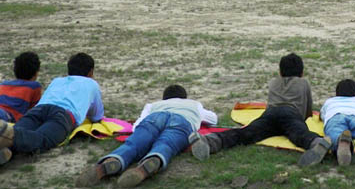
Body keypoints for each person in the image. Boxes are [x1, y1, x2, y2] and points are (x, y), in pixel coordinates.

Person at [190, 53, 331, 167]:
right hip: (291, 114)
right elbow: (307, 110)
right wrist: (302, 120)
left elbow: (270, 105)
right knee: (300, 135)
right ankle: (316, 143)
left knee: (245, 134)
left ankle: (211, 141)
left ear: (280, 72)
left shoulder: (273, 82)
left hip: (270, 114)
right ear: (302, 73)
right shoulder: (304, 83)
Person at [76, 84, 217, 188]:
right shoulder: (194, 104)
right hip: (182, 121)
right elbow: (213, 119)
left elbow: (139, 123)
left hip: (156, 117)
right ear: (184, 97)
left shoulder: (154, 104)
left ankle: (110, 162)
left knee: (133, 145)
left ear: (164, 98)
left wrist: (141, 134)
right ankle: (147, 164)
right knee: (166, 144)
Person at [0, 52, 104, 166]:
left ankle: (7, 145)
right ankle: (11, 135)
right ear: (91, 72)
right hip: (63, 115)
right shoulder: (92, 84)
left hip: (39, 109)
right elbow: (97, 117)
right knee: (42, 139)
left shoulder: (57, 80)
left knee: (14, 132)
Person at [0, 51, 42, 123]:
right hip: (6, 116)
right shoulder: (34, 86)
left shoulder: (4, 84)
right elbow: (35, 111)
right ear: (36, 73)